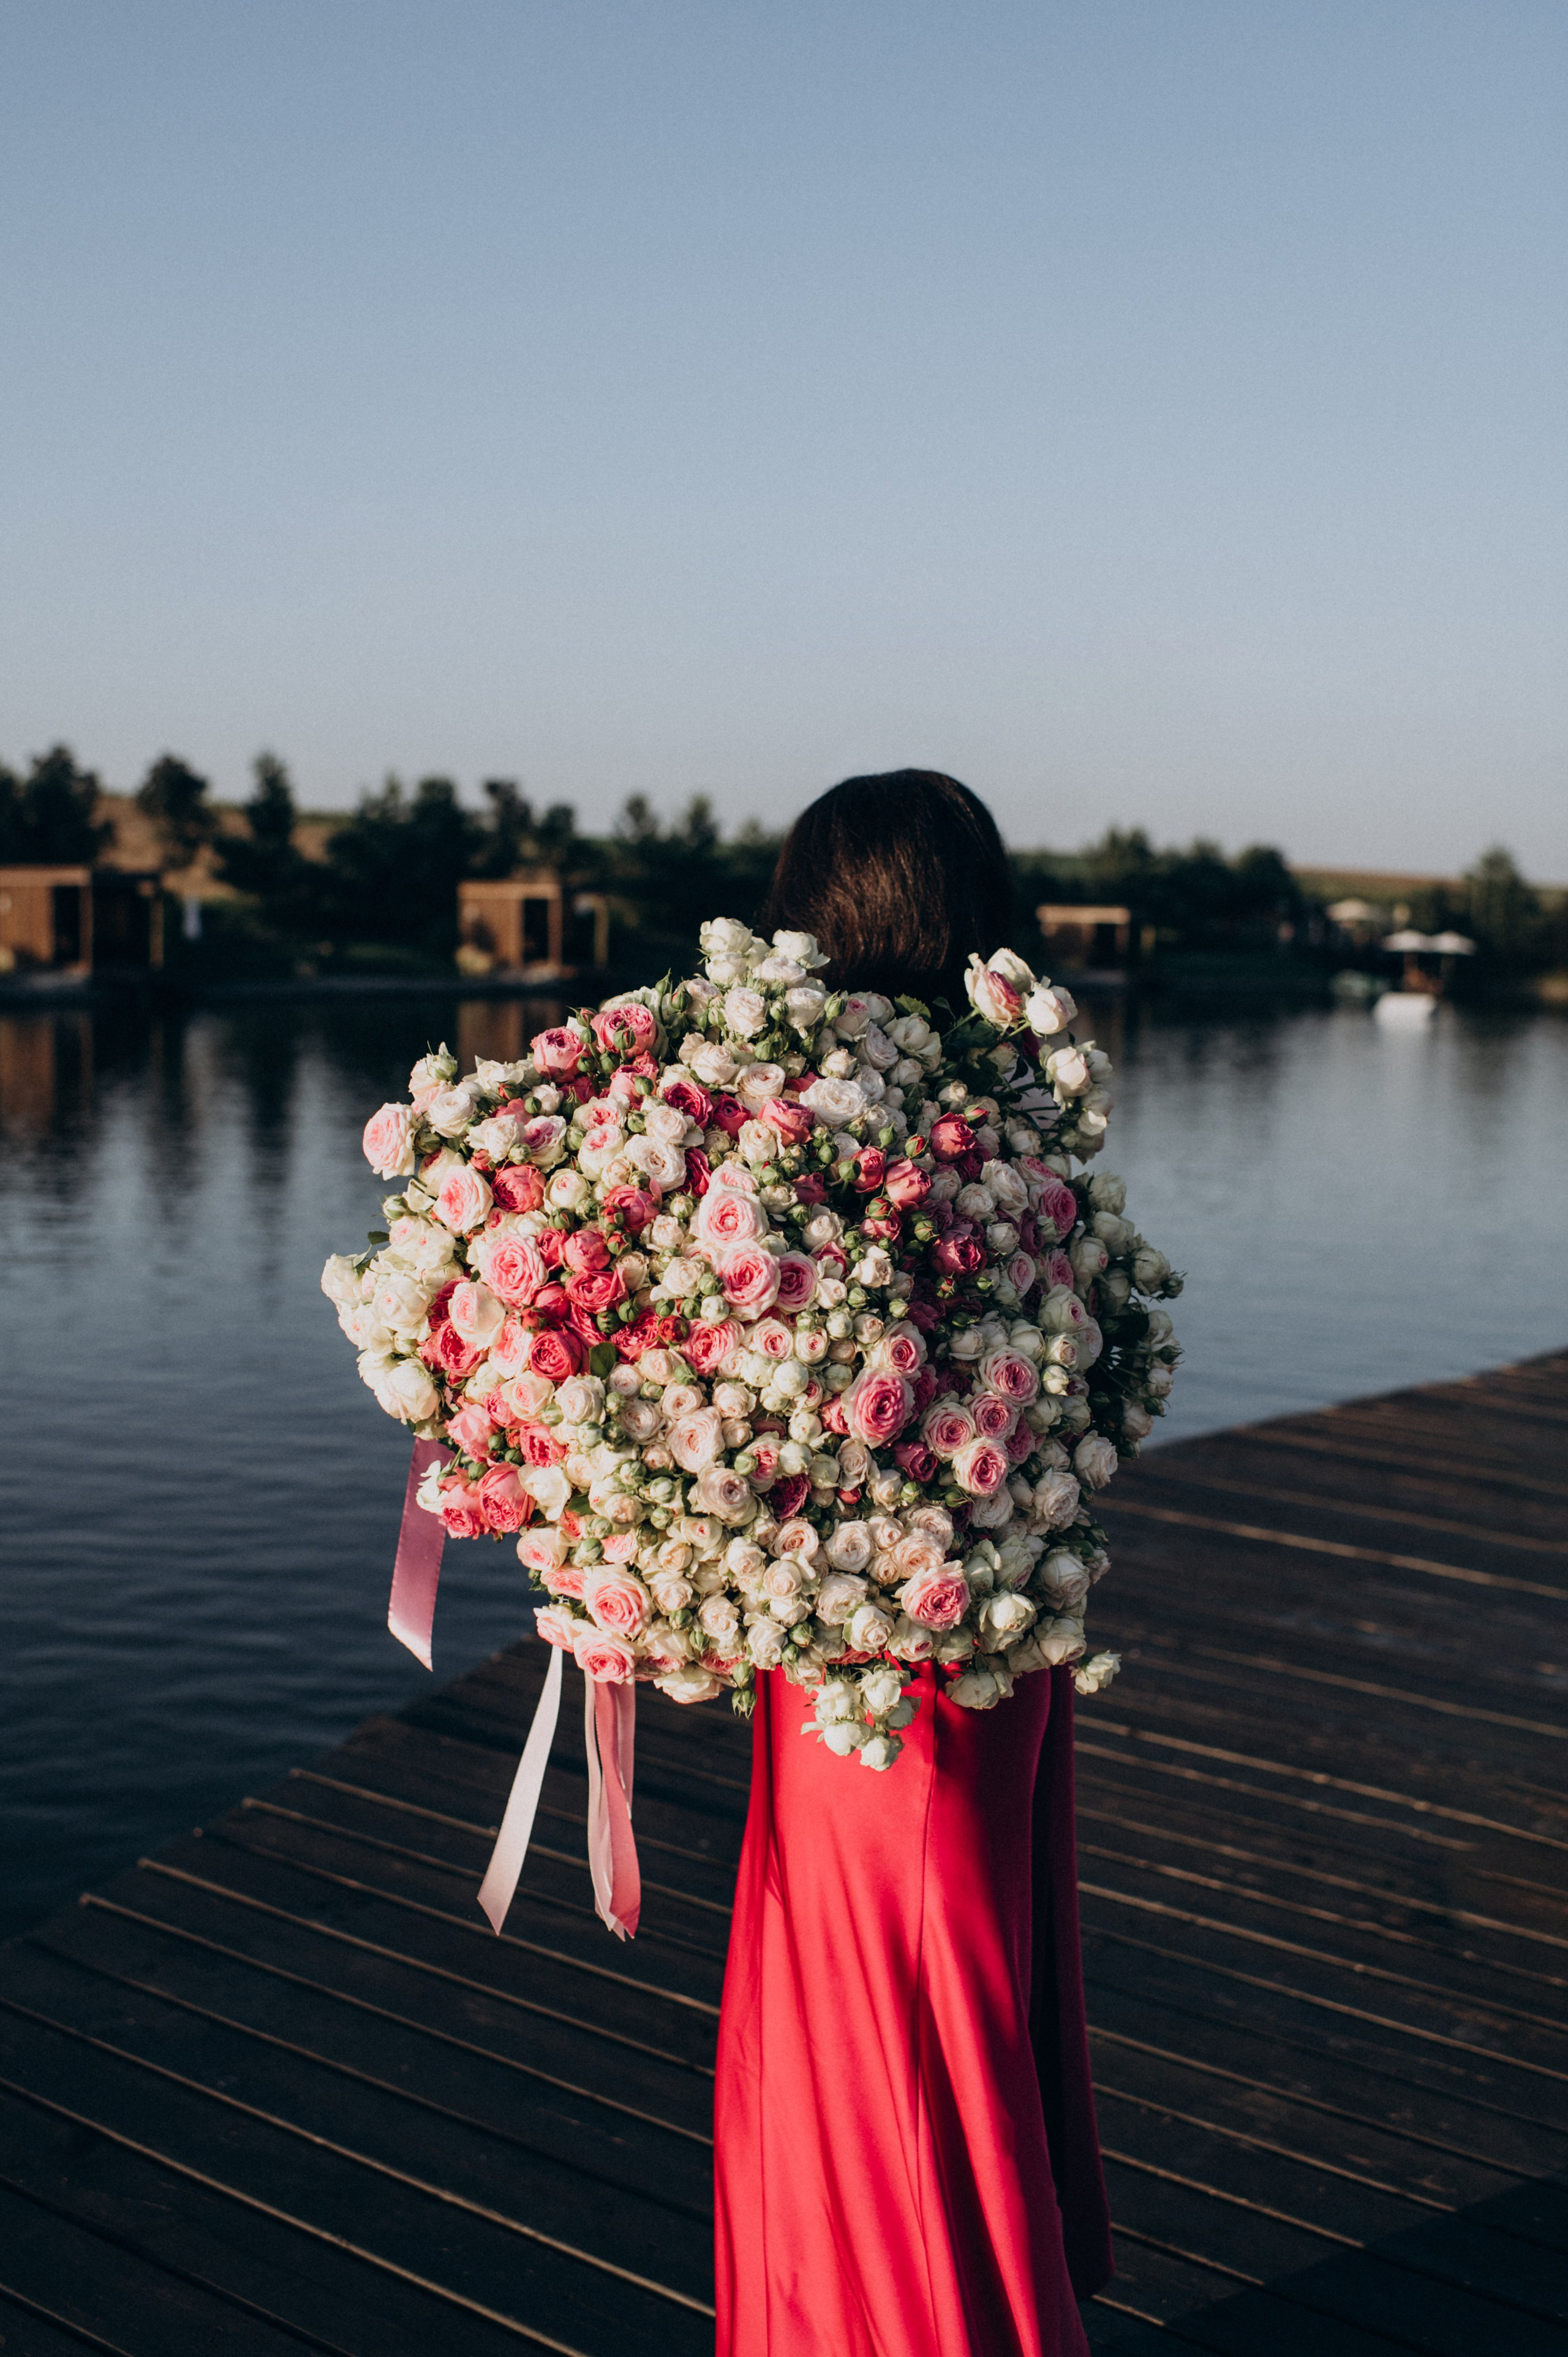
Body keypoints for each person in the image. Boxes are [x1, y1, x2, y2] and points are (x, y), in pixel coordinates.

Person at [712, 771, 1114, 2357]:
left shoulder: (824, 1140)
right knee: (959, 1988)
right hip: (992, 1645)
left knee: (882, 2013)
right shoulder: (1023, 1120)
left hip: (873, 1666)